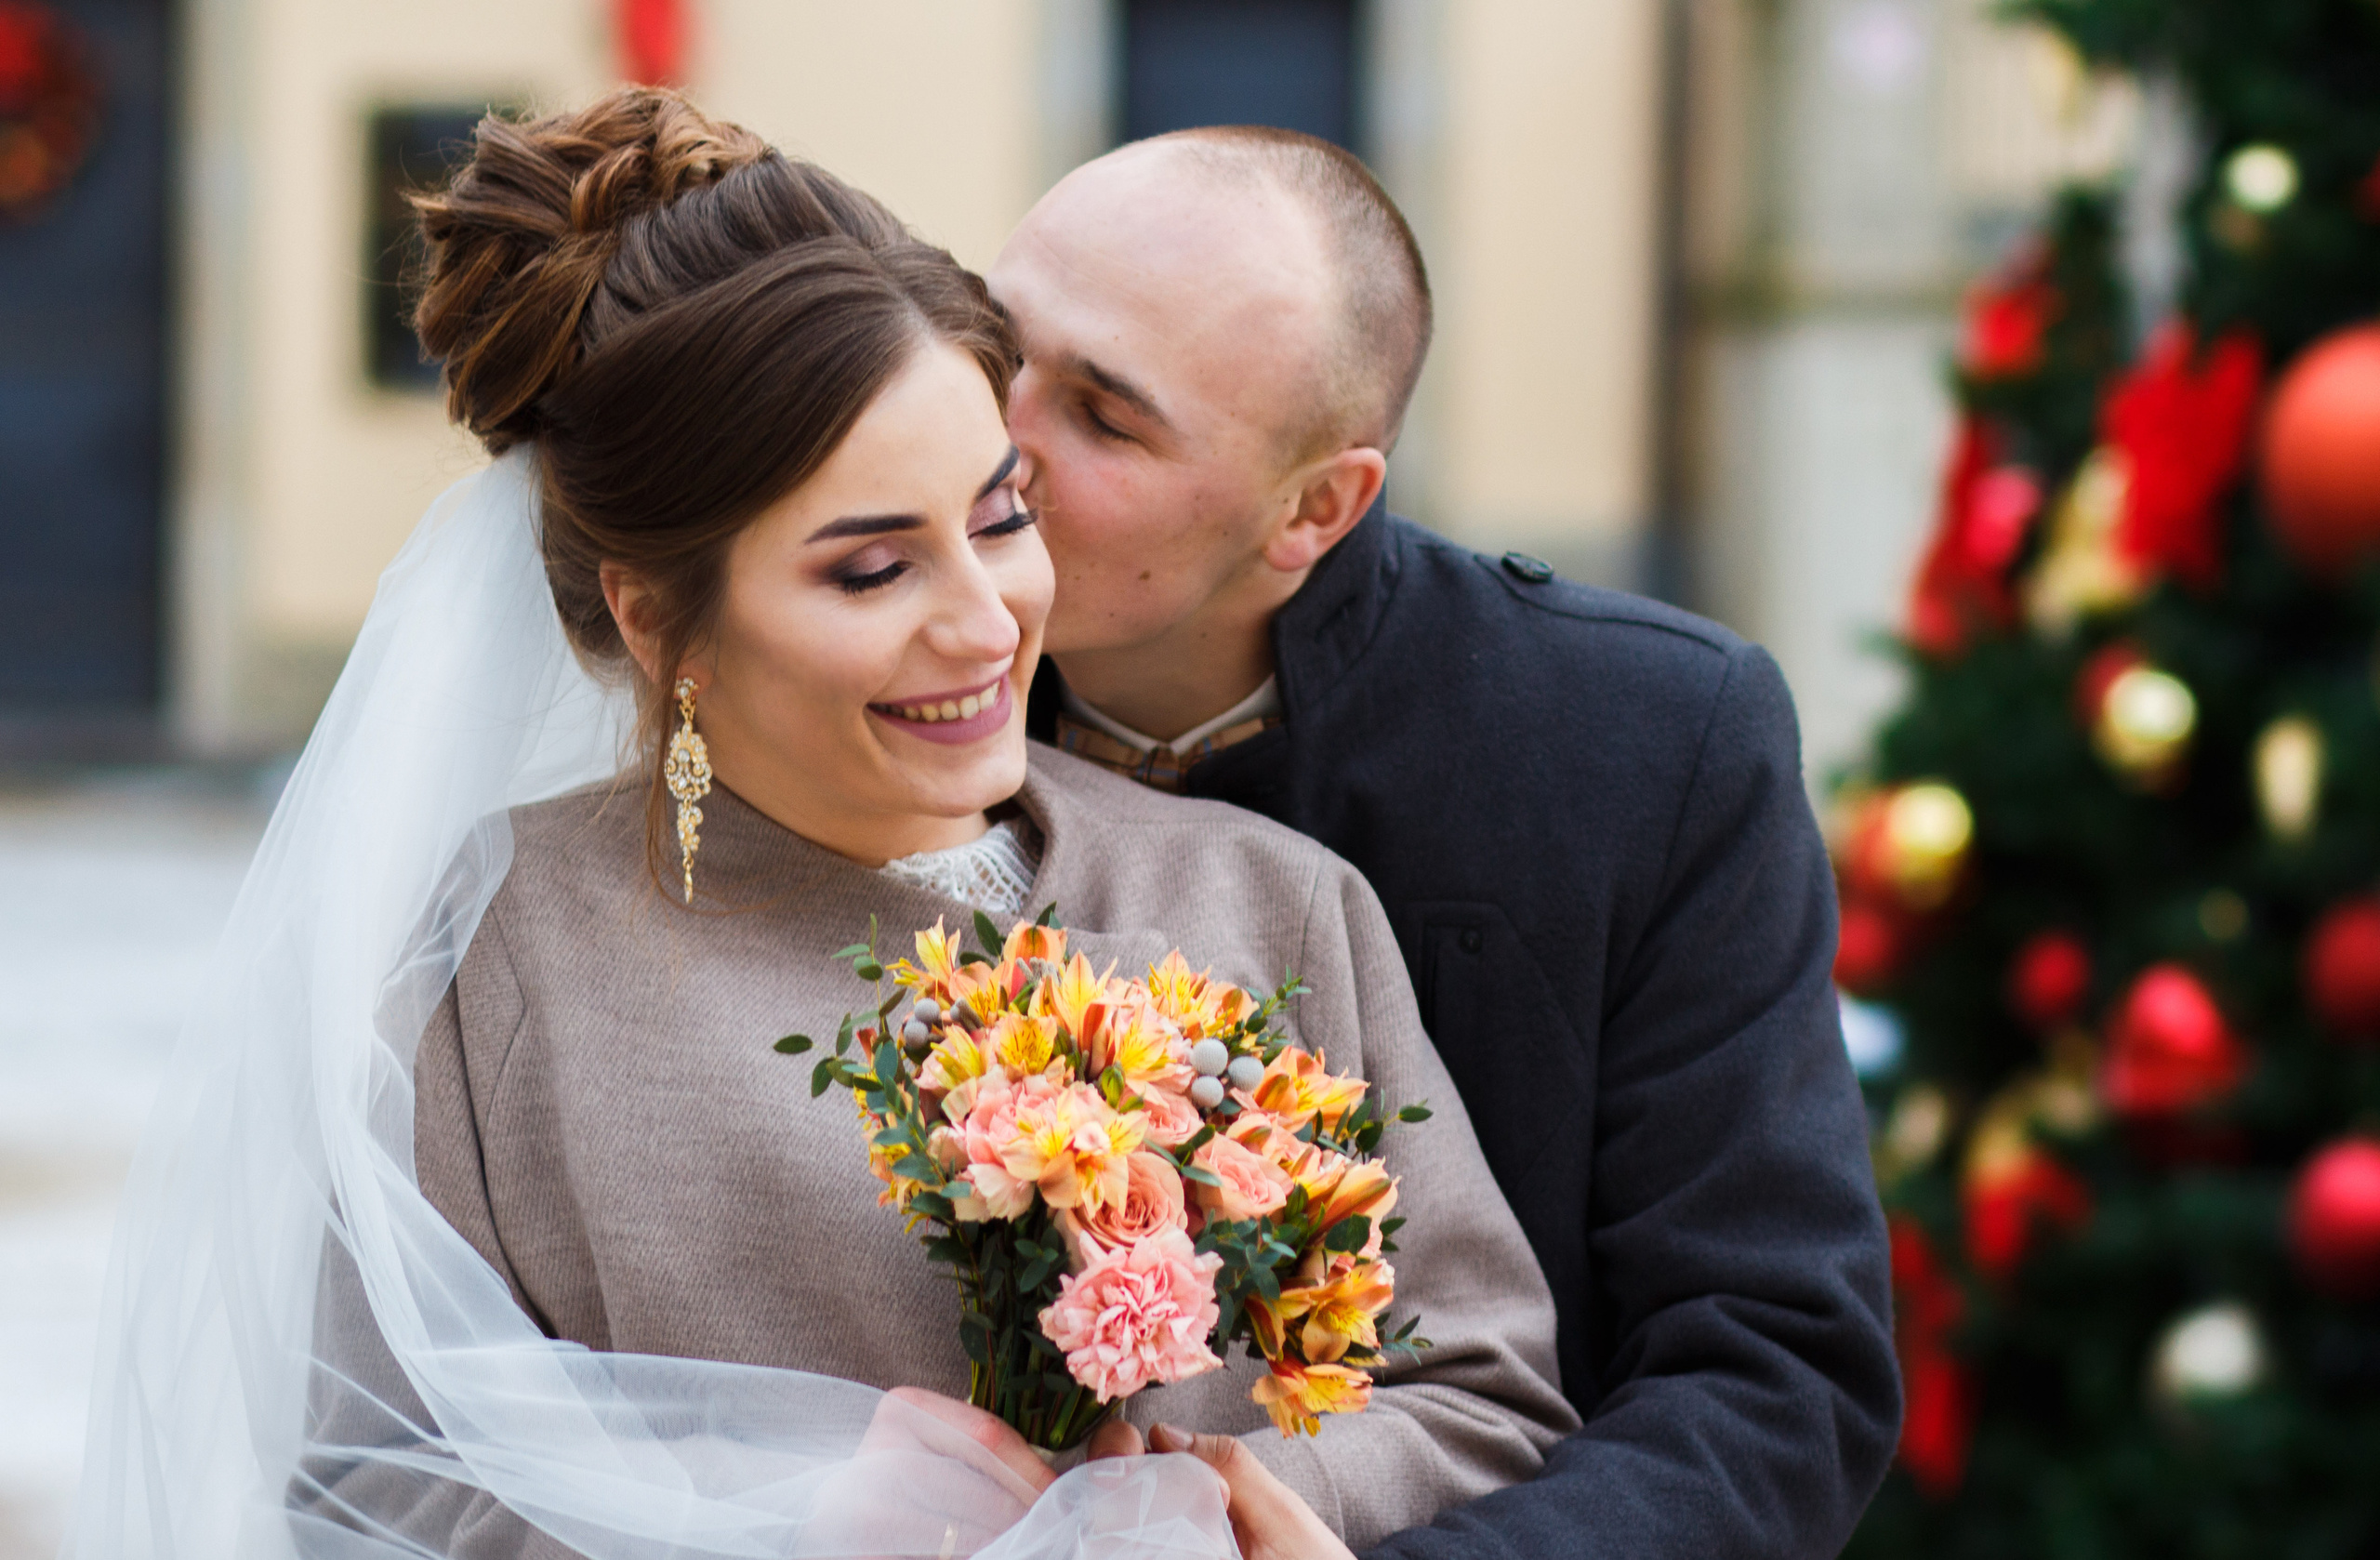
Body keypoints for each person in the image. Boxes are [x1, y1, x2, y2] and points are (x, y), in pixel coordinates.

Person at [67, 91, 1580, 1560]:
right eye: (872, 571)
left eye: (1001, 517)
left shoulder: (1273, 901)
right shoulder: (491, 963)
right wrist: (758, 1526)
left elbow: (1481, 1391)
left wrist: (1203, 1504)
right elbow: (367, 1489)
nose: (987, 622)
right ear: (661, 621)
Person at [985, 128, 1903, 1558]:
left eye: (1104, 418)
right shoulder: (849, 697)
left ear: (1315, 508)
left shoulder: (1643, 742)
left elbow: (1775, 1374)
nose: (1001, 440)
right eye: (993, 344)